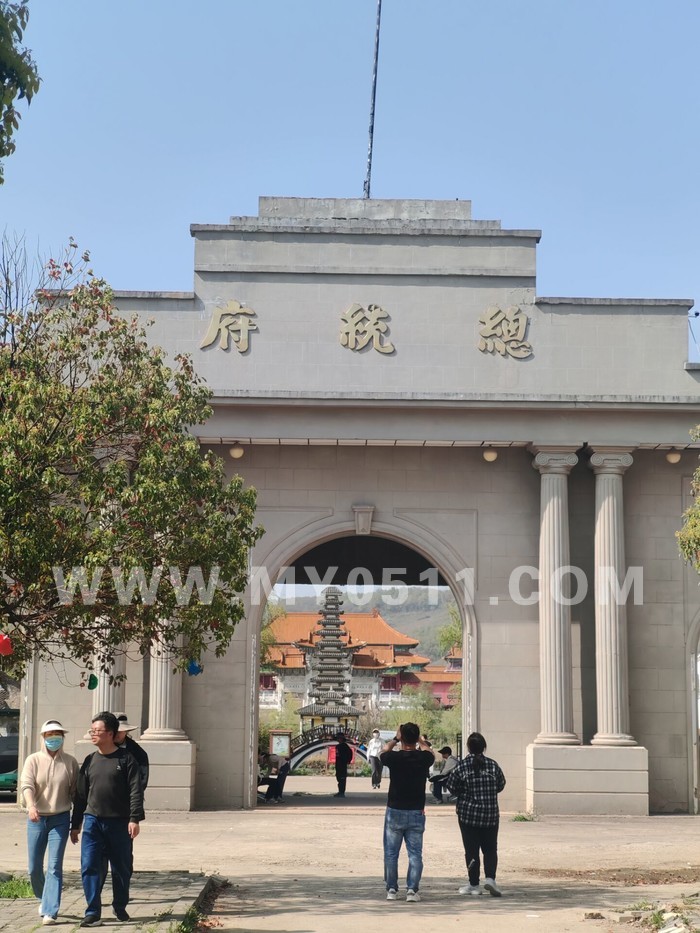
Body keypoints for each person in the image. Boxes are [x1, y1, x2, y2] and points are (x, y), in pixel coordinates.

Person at [70, 711, 144, 927]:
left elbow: (136, 791)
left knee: (121, 868)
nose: (92, 734)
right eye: (91, 730)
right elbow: (81, 795)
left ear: (110, 733)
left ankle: (120, 906)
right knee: (89, 866)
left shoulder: (127, 760)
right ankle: (93, 912)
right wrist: (76, 824)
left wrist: (134, 818)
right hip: (93, 822)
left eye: (97, 731)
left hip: (119, 823)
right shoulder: (90, 760)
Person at [20, 720, 79, 927]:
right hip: (36, 819)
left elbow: (75, 793)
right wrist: (31, 806)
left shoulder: (70, 762)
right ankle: (43, 897)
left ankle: (50, 910)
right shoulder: (33, 760)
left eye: (58, 734)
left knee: (54, 866)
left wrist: (77, 823)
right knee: (34, 867)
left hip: (60, 819)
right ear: (43, 737)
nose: (54, 738)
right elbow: (27, 785)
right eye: (50, 734)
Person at [445, 731, 506, 897]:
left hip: (468, 815)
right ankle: (491, 879)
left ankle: (473, 884)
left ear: (468, 747)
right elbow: (501, 785)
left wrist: (464, 792)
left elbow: (451, 786)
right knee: (490, 848)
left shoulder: (462, 767)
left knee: (471, 850)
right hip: (490, 815)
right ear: (484, 747)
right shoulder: (493, 765)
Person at [379, 722, 434, 903]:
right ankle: (412, 890)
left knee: (391, 853)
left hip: (395, 810)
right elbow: (430, 752)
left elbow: (383, 752)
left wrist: (395, 739)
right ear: (416, 738)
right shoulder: (424, 758)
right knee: (415, 854)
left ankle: (392, 889)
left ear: (402, 736)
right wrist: (421, 740)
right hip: (416, 811)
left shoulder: (394, 758)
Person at [113, 713, 149, 792]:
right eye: (114, 731)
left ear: (126, 731)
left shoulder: (138, 753)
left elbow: (141, 781)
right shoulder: (103, 749)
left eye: (120, 731)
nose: (116, 734)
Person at [333, 732, 353, 798]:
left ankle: (342, 792)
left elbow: (350, 753)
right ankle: (340, 791)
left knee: (342, 778)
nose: (338, 739)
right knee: (339, 777)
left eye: (339, 738)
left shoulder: (344, 746)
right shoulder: (338, 746)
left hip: (342, 764)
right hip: (338, 764)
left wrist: (348, 761)